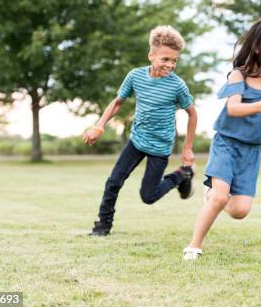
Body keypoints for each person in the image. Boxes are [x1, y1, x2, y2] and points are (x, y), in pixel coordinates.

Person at [182, 18, 261, 260]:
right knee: (221, 196)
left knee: (240, 211)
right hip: (226, 143)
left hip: (251, 151)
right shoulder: (238, 75)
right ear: (256, 47)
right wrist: (259, 104)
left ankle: (213, 195)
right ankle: (194, 246)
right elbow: (233, 109)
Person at [84, 25, 198, 236]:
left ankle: (182, 174)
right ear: (151, 56)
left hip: (160, 146)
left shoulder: (177, 86)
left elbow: (192, 114)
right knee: (113, 182)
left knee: (149, 196)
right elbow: (118, 102)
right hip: (137, 140)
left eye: (174, 60)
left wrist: (187, 149)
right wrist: (99, 125)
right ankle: (102, 225)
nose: (170, 65)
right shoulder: (135, 76)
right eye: (165, 59)